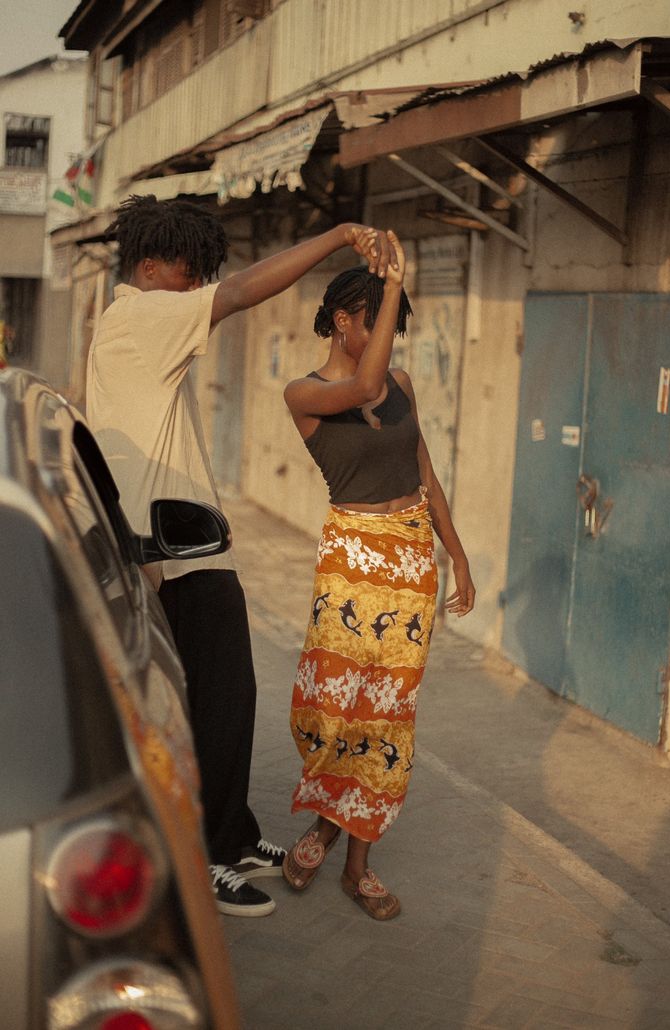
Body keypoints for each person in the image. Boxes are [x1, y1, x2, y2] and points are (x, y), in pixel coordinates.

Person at [85, 194, 398, 917]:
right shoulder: (139, 314)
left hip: (188, 544)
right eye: (187, 273)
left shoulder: (134, 323)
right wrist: (338, 236)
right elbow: (240, 292)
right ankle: (210, 856)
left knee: (227, 703)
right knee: (208, 710)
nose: (197, 289)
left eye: (200, 276)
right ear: (151, 264)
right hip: (170, 554)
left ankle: (232, 832)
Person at [282, 230, 475, 920]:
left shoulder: (400, 385)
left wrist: (456, 553)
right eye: (381, 323)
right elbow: (361, 383)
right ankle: (325, 820)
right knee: (334, 712)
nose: (392, 345)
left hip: (411, 560)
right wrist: (393, 279)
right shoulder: (304, 393)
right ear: (344, 321)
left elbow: (423, 472)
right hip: (352, 561)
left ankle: (356, 862)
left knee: (388, 716)